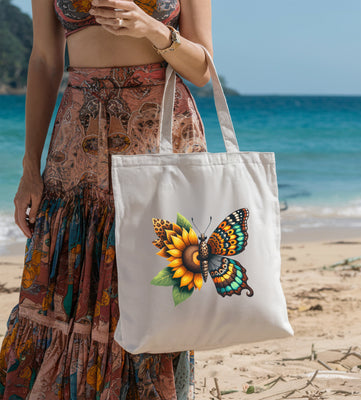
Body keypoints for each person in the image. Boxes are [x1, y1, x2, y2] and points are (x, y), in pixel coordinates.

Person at [0, 0, 212, 398]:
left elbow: (201, 68)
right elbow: (46, 60)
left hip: (160, 132)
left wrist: (150, 27)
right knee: (63, 280)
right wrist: (30, 167)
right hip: (77, 140)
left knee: (158, 287)